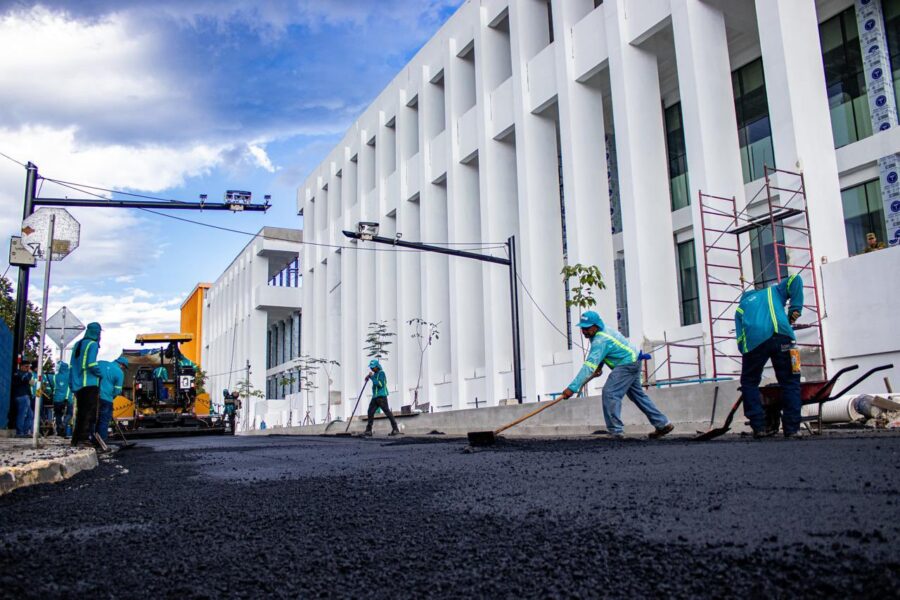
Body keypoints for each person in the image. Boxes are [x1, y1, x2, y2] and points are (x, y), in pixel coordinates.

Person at [559, 311, 674, 439]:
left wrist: (572, 388)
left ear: (596, 326)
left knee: (610, 393)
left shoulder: (600, 340)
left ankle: (615, 431)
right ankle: (663, 424)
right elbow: (605, 353)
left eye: (587, 328)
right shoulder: (600, 332)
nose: (584, 331)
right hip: (634, 360)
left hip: (627, 364)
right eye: (582, 328)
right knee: (638, 396)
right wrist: (600, 366)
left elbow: (588, 367)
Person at [735, 274, 804, 438]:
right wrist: (795, 309)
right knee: (790, 382)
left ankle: (759, 427)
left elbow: (740, 337)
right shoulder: (773, 291)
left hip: (755, 343)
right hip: (783, 335)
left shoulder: (741, 307)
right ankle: (793, 429)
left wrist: (746, 353)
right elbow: (795, 279)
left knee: (749, 382)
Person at [69, 322, 103, 447]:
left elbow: (73, 364)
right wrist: (100, 374)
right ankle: (84, 438)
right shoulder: (93, 344)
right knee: (89, 412)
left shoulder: (78, 344)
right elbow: (91, 364)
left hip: (78, 384)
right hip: (89, 382)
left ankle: (76, 439)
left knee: (81, 412)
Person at [363, 359, 400, 437]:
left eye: (373, 367)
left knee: (387, 412)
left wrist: (372, 377)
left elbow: (380, 384)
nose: (372, 369)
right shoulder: (375, 374)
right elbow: (373, 380)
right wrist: (368, 377)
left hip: (381, 397)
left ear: (377, 367)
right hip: (375, 397)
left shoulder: (381, 373)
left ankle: (395, 428)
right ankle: (368, 430)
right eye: (371, 367)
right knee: (370, 412)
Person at [96, 356, 128, 444]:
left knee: (93, 419)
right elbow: (117, 390)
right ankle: (102, 442)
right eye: (124, 367)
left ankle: (92, 439)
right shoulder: (119, 372)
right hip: (106, 398)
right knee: (104, 420)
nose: (123, 369)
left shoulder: (101, 363)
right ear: (122, 365)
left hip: (94, 396)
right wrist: (111, 396)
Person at [11, 361, 34, 437]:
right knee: (22, 414)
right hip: (21, 396)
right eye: (26, 367)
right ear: (21, 366)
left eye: (29, 367)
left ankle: (25, 431)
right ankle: (20, 432)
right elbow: (25, 379)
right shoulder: (18, 373)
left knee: (30, 415)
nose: (28, 369)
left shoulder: (23, 374)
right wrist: (30, 374)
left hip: (26, 396)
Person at [52, 362, 72, 437]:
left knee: (58, 415)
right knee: (69, 413)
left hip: (57, 399)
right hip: (67, 398)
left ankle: (59, 432)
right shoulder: (70, 376)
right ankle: (64, 424)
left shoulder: (55, 376)